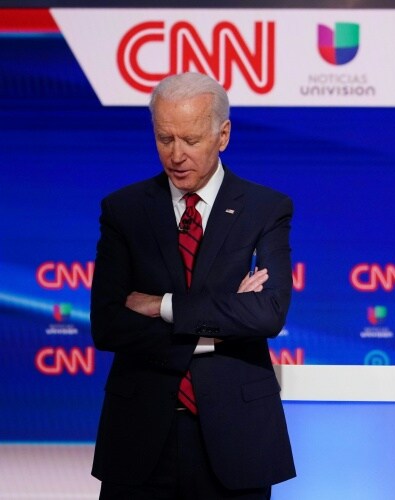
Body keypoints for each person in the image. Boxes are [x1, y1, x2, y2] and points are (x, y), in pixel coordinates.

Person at [90, 72, 296, 499]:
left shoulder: (265, 209)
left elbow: (267, 313)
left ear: (223, 135)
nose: (176, 154)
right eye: (164, 139)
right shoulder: (124, 210)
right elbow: (108, 324)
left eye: (191, 139)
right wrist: (221, 323)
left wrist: (163, 306)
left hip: (237, 438)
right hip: (139, 436)